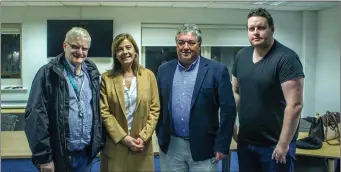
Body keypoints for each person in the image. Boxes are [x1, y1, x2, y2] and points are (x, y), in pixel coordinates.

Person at [232, 8, 305, 172]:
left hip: (274, 145)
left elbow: (295, 105)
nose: (256, 33)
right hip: (246, 142)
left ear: (272, 29)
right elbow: (235, 92)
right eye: (251, 29)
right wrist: (232, 122)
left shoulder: (286, 59)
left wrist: (283, 144)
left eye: (261, 28)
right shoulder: (241, 56)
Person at [156, 23, 237, 172]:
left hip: (205, 146)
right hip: (172, 146)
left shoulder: (217, 71)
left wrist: (222, 144)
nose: (185, 47)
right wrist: (160, 135)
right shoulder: (164, 70)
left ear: (199, 45)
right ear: (176, 45)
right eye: (181, 42)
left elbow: (228, 110)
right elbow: (157, 106)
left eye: (191, 42)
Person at [24, 27, 104, 172]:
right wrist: (44, 158)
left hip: (85, 155)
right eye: (75, 46)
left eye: (84, 48)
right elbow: (36, 117)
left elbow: (97, 112)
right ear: (65, 45)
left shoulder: (92, 74)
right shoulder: (48, 73)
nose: (80, 52)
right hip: (58, 156)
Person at [99, 33, 160, 172]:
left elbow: (155, 109)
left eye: (128, 47)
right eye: (120, 49)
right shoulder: (106, 78)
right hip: (116, 146)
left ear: (135, 51)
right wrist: (123, 138)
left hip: (141, 146)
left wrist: (143, 137)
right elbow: (104, 112)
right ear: (115, 54)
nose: (125, 52)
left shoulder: (148, 76)